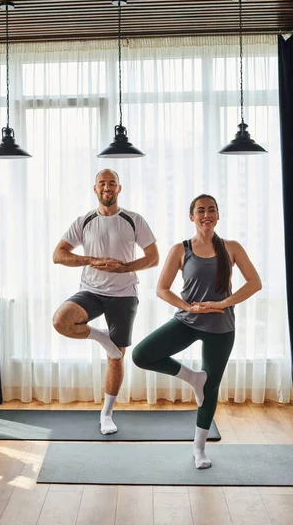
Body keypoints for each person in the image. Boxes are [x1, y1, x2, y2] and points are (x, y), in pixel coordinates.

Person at [132, 194, 262, 469]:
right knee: (142, 355)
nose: (206, 214)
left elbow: (254, 283)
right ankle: (192, 377)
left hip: (221, 326)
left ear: (218, 215)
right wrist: (188, 307)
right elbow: (162, 288)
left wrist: (223, 303)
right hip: (187, 321)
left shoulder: (232, 247)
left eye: (211, 210)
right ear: (191, 217)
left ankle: (199, 449)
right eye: (200, 210)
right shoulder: (181, 249)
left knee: (211, 386)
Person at [52, 169, 159, 435]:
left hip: (123, 294)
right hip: (91, 290)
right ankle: (102, 337)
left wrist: (124, 268)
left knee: (116, 358)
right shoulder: (84, 220)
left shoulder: (134, 220)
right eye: (102, 183)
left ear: (119, 188)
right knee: (61, 321)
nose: (107, 187)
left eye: (112, 183)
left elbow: (153, 257)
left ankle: (107, 414)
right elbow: (58, 255)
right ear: (95, 188)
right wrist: (91, 260)